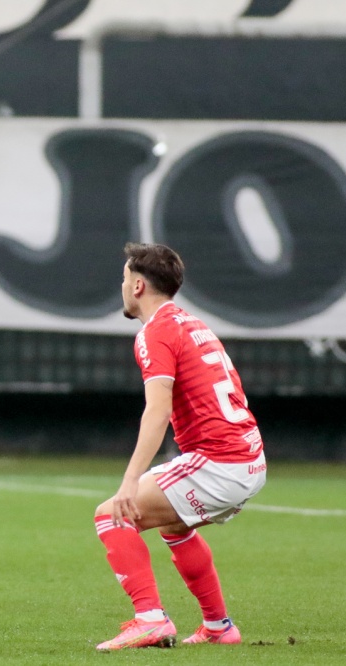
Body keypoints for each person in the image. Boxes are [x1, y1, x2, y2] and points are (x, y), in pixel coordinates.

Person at [94, 242, 266, 650]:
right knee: (174, 525)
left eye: (123, 279)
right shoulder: (192, 324)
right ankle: (219, 627)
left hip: (220, 462)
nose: (121, 286)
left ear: (137, 285)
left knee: (112, 516)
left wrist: (129, 481)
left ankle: (150, 620)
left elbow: (157, 411)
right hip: (249, 458)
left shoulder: (155, 333)